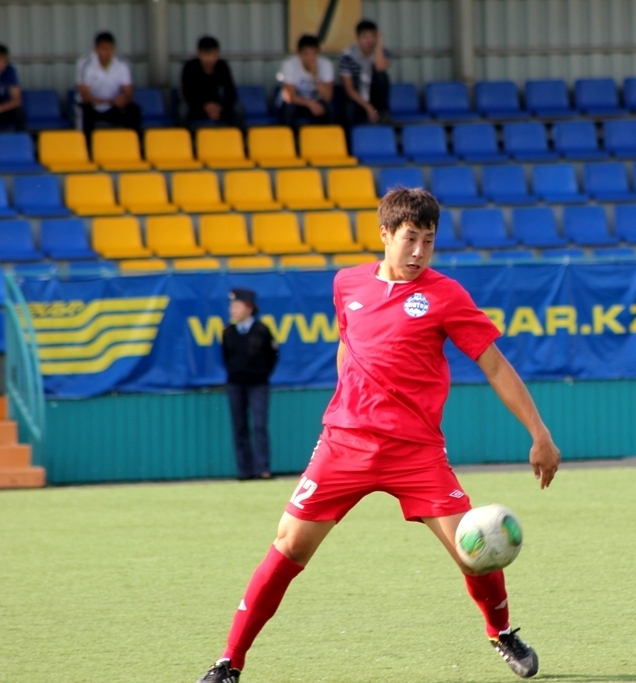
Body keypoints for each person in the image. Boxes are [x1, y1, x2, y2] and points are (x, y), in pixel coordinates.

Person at [196, 188, 561, 683]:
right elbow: (348, 344)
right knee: (289, 546)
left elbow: (494, 365)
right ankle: (229, 662)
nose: (419, 252)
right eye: (410, 239)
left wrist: (539, 433)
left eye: (428, 241)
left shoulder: (446, 295)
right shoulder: (347, 283)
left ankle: (500, 632)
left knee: (473, 551)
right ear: (385, 234)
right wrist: (348, 402)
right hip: (344, 446)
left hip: (416, 453)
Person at [222, 288, 279, 481]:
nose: (232, 310)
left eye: (237, 306)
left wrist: (262, 374)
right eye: (232, 306)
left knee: (259, 426)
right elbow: (226, 357)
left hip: (258, 384)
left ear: (248, 307)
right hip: (235, 384)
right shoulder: (228, 332)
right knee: (239, 426)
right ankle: (244, 470)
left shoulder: (262, 330)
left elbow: (272, 356)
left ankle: (263, 468)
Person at [75, 31, 140, 137]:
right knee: (84, 112)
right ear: (96, 49)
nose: (107, 52)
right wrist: (108, 101)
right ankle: (86, 146)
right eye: (104, 48)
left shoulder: (122, 64)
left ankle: (133, 143)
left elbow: (129, 92)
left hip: (114, 106)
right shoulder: (85, 64)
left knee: (133, 110)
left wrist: (124, 99)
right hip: (92, 106)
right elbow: (84, 95)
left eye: (110, 48)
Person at [339, 18, 392, 130]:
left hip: (375, 99)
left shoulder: (383, 52)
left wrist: (379, 44)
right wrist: (368, 107)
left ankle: (383, 120)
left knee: (381, 76)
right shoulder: (347, 56)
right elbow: (349, 89)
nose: (369, 40)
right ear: (357, 38)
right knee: (348, 109)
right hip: (358, 99)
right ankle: (350, 139)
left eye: (373, 36)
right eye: (365, 37)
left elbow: (380, 67)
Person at [180, 35, 238, 126]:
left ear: (218, 54)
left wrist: (219, 107)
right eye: (206, 55)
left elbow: (230, 92)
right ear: (199, 53)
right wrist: (205, 106)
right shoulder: (190, 67)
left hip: (219, 107)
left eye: (213, 55)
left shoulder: (222, 66)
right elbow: (187, 93)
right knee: (182, 111)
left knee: (238, 110)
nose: (209, 59)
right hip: (197, 107)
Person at [279, 34, 334, 127]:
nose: (310, 57)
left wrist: (315, 76)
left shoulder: (326, 65)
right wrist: (310, 104)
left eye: (314, 53)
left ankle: (329, 135)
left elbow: (328, 96)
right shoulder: (289, 65)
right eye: (306, 54)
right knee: (288, 109)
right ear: (299, 53)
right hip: (298, 102)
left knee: (330, 108)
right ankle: (289, 136)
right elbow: (290, 96)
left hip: (317, 101)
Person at [0, 45, 25, 130]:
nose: (3, 64)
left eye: (5, 61)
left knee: (19, 113)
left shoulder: (10, 71)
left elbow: (17, 100)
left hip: (4, 108)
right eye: (1, 61)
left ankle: (21, 137)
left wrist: (2, 108)